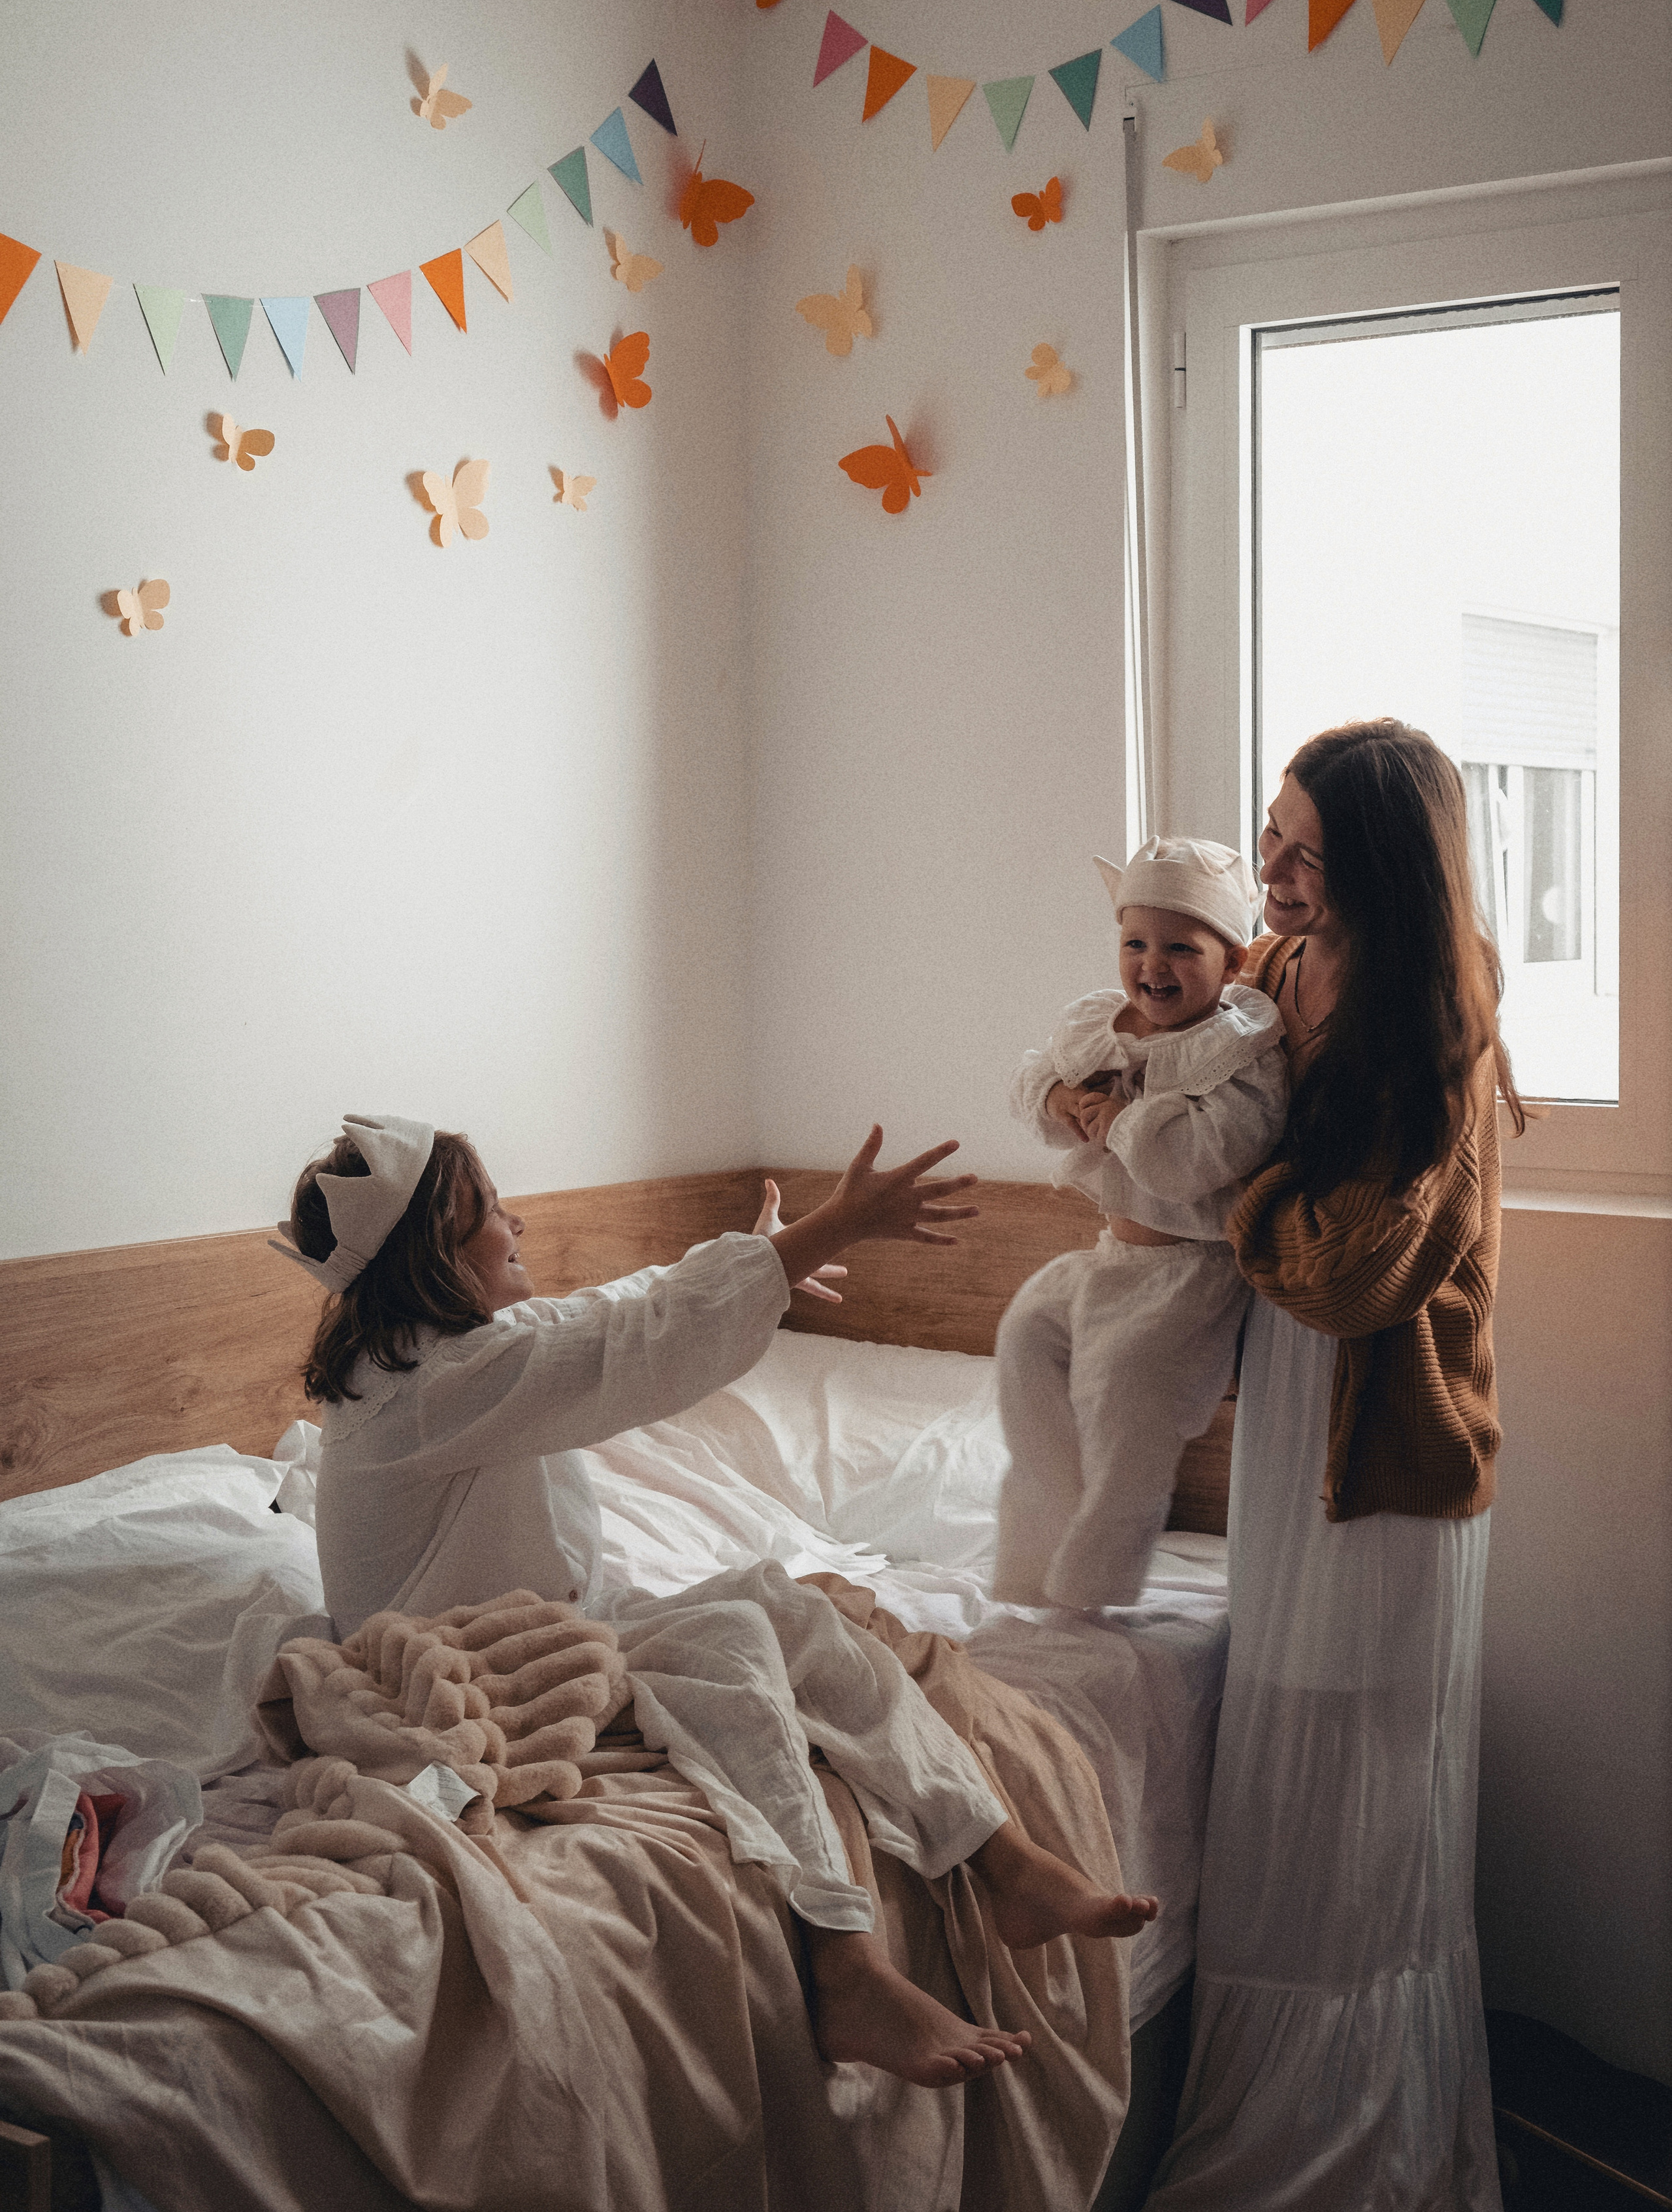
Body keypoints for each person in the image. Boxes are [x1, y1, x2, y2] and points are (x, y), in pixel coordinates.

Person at [275, 1114, 1157, 2090]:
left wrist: (760, 1261)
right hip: (468, 1666)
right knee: (736, 1630)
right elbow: (624, 1344)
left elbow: (604, 1314)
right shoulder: (434, 1386)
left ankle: (1003, 1855)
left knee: (782, 1603)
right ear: (432, 1257)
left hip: (527, 1633)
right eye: (488, 1211)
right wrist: (802, 1244)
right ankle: (842, 1954)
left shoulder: (433, 1356)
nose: (515, 1220)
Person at [1146, 721, 1524, 2210]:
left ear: (1372, 860)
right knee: (1288, 1766)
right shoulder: (1275, 965)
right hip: (1293, 1424)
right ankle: (1278, 2108)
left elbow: (1354, 1261)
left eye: (1300, 846)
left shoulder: (1431, 1009)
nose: (1269, 864)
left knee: (1361, 1801)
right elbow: (1176, 1060)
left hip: (1384, 1457)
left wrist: (1234, 1195)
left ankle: (1355, 2148)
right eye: (1267, 829)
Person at [995, 838, 1289, 1607]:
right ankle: (1038, 1558)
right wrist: (1062, 1102)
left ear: (1231, 963)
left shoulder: (1240, 1048)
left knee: (1123, 1406)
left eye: (1179, 948)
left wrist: (1126, 1120)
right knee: (1027, 1334)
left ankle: (1090, 1590)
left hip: (1188, 1273)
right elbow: (1034, 1074)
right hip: (1110, 1255)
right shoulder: (1111, 1022)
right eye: (1135, 942)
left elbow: (1208, 1153)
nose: (1151, 965)